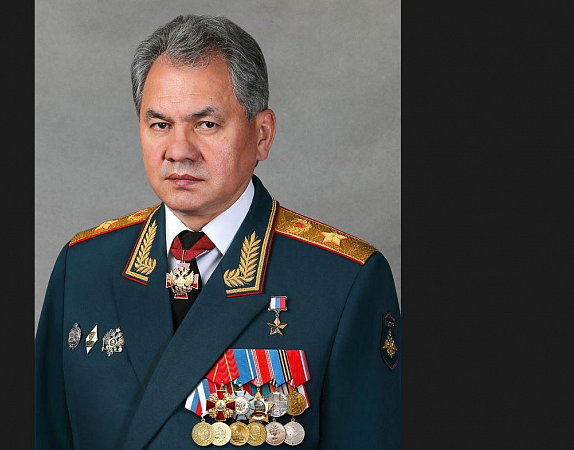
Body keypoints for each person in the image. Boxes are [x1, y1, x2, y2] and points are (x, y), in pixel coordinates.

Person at [35, 14, 399, 449]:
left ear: (262, 135)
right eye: (160, 124)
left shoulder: (344, 282)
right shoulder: (83, 266)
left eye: (206, 124)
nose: (179, 151)